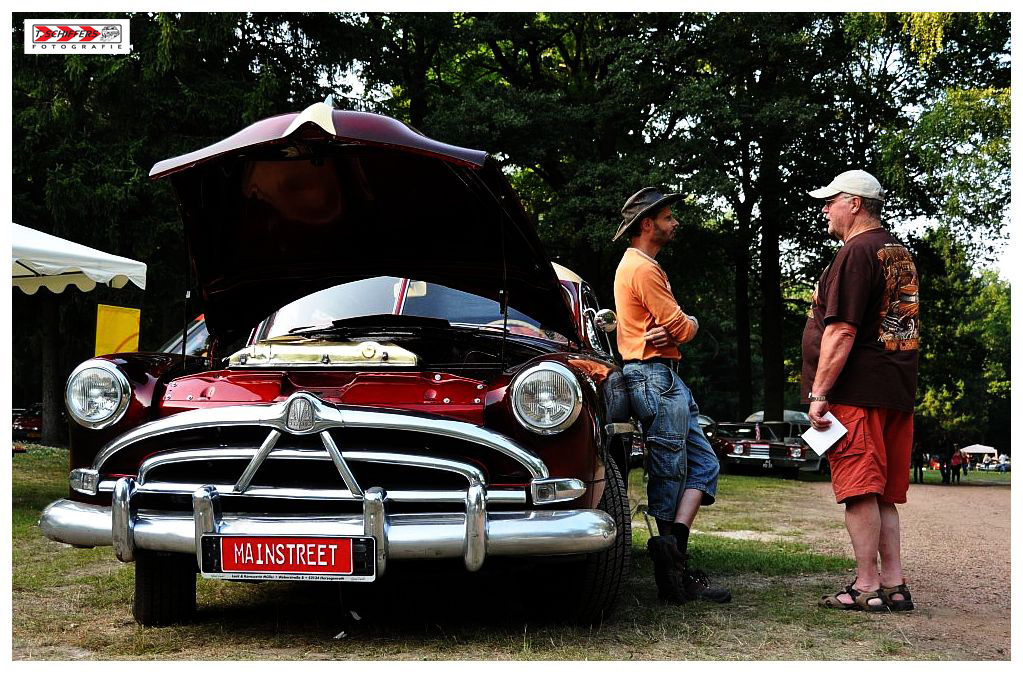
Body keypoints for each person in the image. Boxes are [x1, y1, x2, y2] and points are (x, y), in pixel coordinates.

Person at [802, 169, 918, 613]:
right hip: (895, 390)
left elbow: (843, 331)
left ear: (853, 202)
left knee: (858, 491)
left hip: (857, 393)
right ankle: (894, 584)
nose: (825, 209)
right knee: (883, 492)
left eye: (830, 200)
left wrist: (819, 392)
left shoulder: (856, 252)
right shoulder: (899, 252)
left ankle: (866, 585)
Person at [612, 187, 731, 604]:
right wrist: (689, 323)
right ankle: (672, 577)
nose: (674, 222)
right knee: (669, 469)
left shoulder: (643, 266)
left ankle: (673, 552)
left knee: (703, 463)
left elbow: (673, 327)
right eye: (667, 217)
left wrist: (679, 326)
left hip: (664, 375)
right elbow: (680, 328)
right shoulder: (642, 268)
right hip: (652, 375)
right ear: (647, 224)